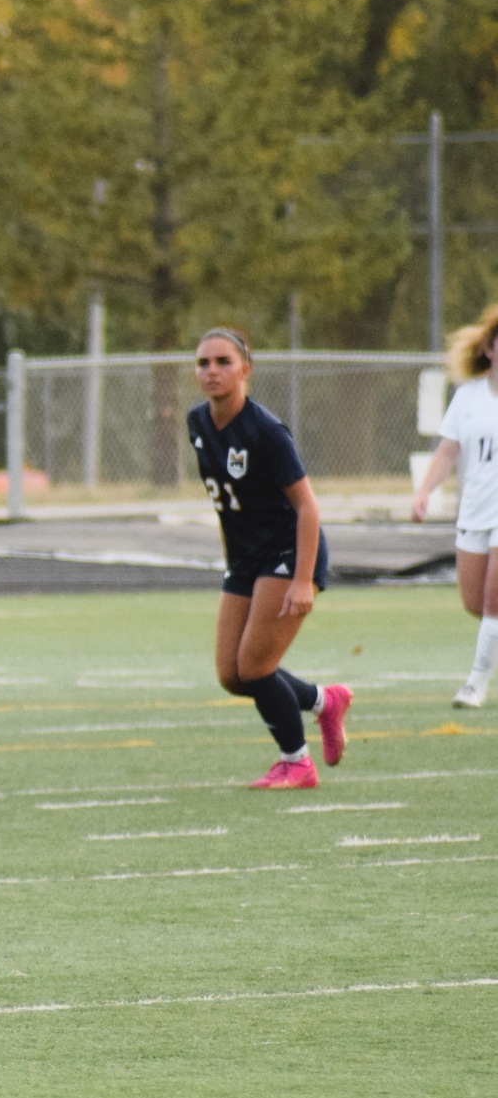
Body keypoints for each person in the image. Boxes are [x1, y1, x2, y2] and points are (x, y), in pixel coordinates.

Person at [187, 326, 352, 788]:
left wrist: (302, 580)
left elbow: (307, 506)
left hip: (288, 553)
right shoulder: (197, 423)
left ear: (246, 370)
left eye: (223, 362)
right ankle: (324, 701)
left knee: (255, 667)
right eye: (203, 362)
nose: (212, 371)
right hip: (246, 560)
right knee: (232, 674)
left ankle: (296, 761)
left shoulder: (265, 430)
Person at [408, 301, 498, 708]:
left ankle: (475, 684)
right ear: (489, 350)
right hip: (474, 510)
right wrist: (425, 492)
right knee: (474, 603)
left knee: (494, 602)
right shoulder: (468, 397)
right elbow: (447, 452)